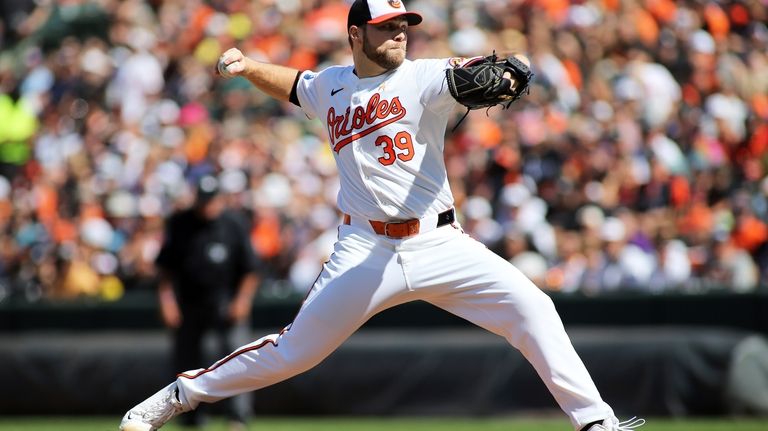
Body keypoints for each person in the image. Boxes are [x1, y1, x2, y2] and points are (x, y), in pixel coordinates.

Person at [120, 1, 644, 431]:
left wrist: (505, 71)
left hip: (439, 242)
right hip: (365, 250)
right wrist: (250, 66)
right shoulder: (330, 86)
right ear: (355, 35)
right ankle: (175, 396)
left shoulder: (426, 77)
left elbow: (464, 75)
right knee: (292, 354)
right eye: (386, 27)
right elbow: (295, 83)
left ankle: (595, 423)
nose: (399, 34)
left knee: (532, 308)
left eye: (403, 25)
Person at [153, 174, 260, 431]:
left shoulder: (233, 223)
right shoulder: (180, 223)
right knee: (186, 361)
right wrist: (167, 303)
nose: (207, 205)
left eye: (212, 200)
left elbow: (251, 269)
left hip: (226, 301)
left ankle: (238, 417)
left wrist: (242, 301)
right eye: (203, 200)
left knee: (238, 359)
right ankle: (190, 418)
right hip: (190, 303)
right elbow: (165, 269)